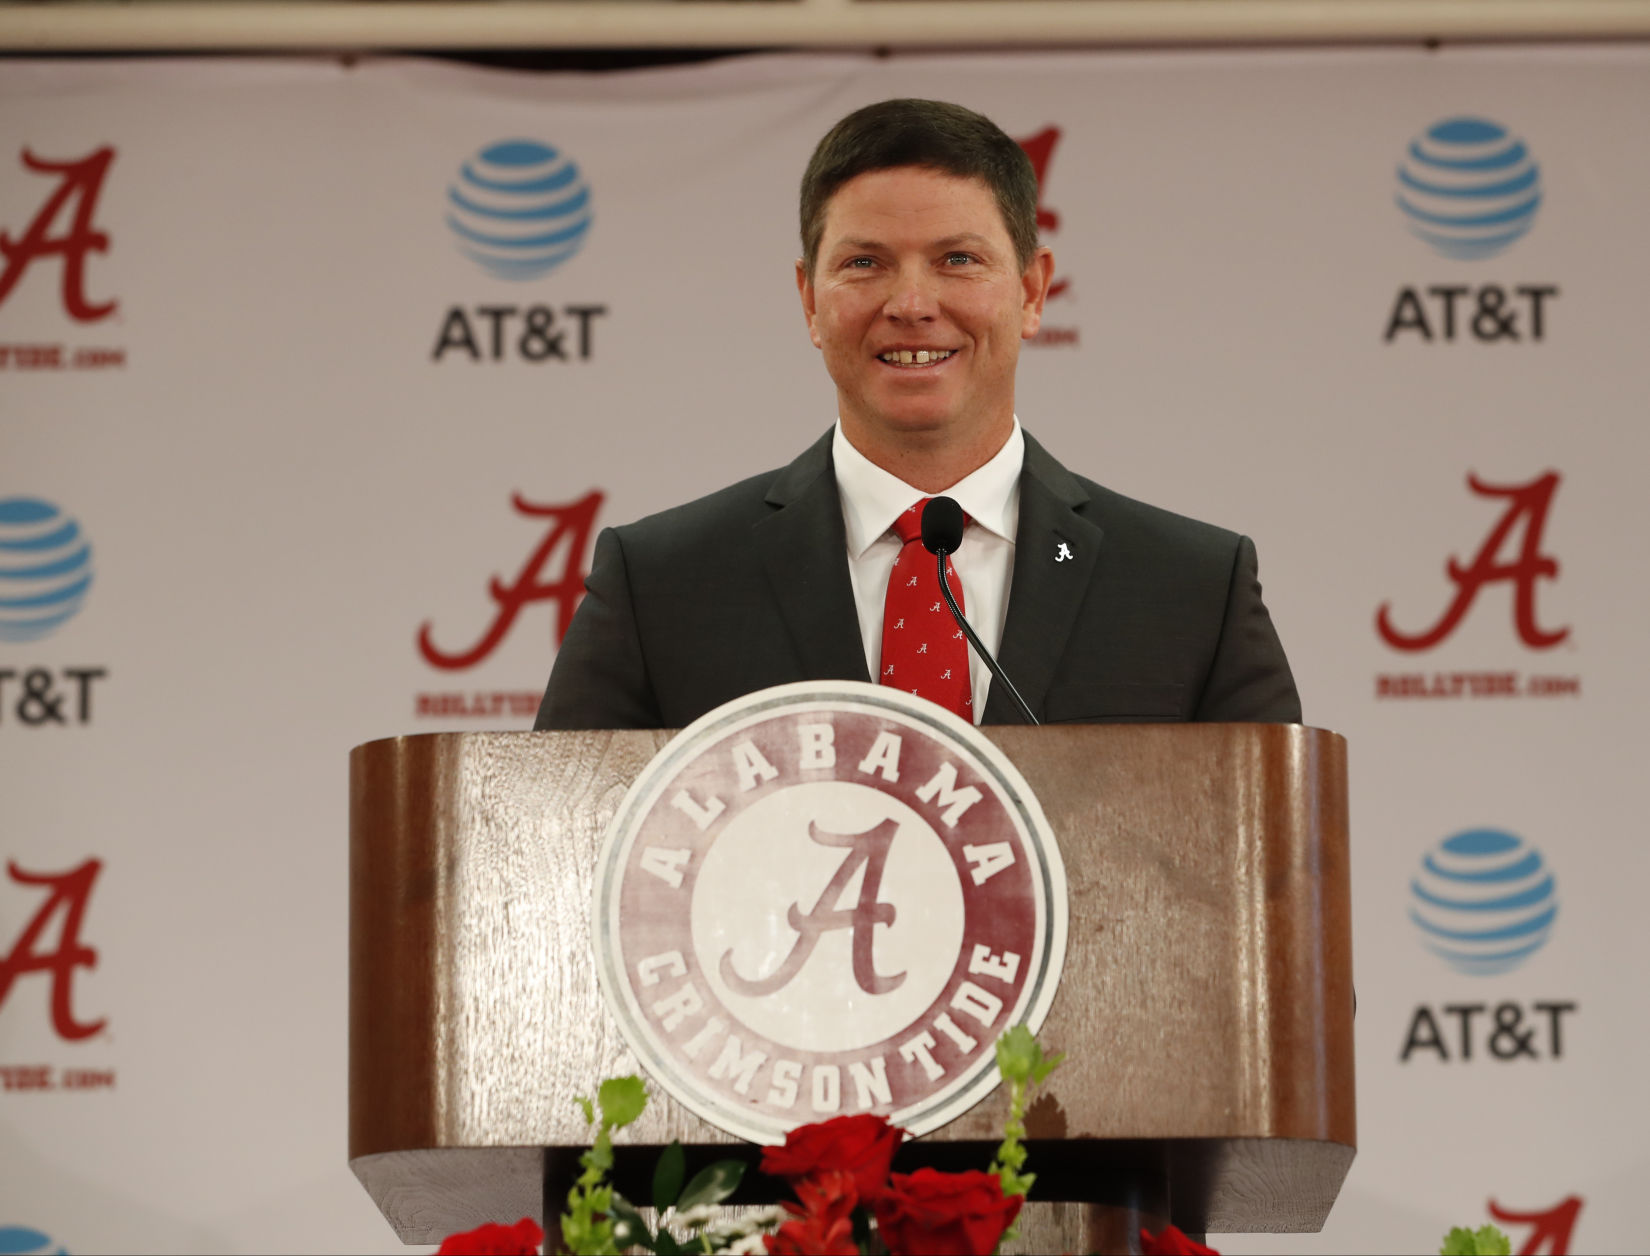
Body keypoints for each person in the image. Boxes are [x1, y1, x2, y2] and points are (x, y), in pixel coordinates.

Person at [534, 98, 1298, 731]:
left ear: (1033, 293)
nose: (910, 306)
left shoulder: (1191, 590)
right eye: (864, 264)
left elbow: (1273, 890)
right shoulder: (663, 584)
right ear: (809, 300)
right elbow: (559, 862)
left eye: (957, 260)